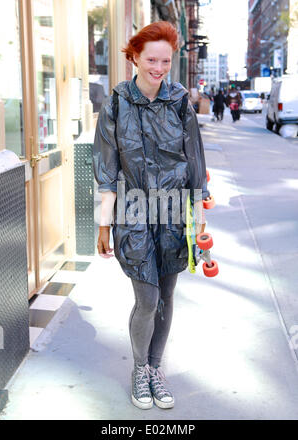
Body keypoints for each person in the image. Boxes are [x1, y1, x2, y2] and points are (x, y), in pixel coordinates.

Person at [93, 21, 210, 410]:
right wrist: (104, 222)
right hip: (135, 209)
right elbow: (107, 167)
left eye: (165, 60)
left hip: (175, 210)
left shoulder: (179, 101)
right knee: (147, 298)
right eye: (151, 60)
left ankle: (158, 369)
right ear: (134, 58)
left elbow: (194, 159)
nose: (158, 68)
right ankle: (140, 369)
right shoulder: (117, 102)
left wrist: (199, 216)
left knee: (168, 295)